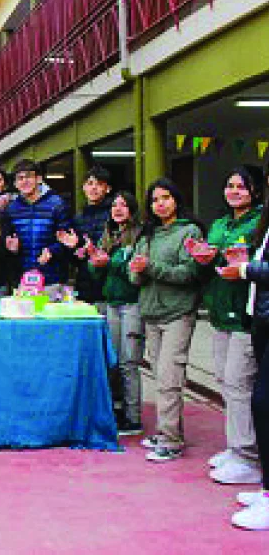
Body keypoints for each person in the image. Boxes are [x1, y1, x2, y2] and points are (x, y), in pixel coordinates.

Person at [190, 168, 261, 484]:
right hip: (219, 312)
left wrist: (244, 263)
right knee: (225, 381)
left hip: (245, 314)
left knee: (239, 384)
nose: (234, 191)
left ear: (255, 191)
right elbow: (209, 266)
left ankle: (249, 456)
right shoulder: (219, 224)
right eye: (229, 185)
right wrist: (203, 258)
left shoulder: (259, 222)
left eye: (241, 187)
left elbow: (254, 265)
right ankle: (235, 447)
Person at [129, 178, 203, 462]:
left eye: (166, 198)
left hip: (177, 312)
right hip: (151, 312)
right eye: (155, 200)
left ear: (176, 200)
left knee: (170, 378)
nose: (160, 204)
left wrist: (151, 267)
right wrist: (137, 270)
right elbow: (135, 277)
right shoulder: (147, 235)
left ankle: (171, 441)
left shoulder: (189, 231)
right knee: (161, 377)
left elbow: (189, 273)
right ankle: (168, 431)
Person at [220, 168, 269, 529]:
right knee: (258, 401)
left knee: (261, 402)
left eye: (242, 186)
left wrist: (246, 270)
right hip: (260, 317)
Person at [89, 191, 144, 435]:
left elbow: (134, 273)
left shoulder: (140, 236)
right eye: (114, 205)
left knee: (129, 362)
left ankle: (133, 417)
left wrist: (109, 262)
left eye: (123, 205)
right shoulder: (108, 235)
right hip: (111, 303)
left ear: (132, 209)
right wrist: (94, 262)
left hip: (132, 304)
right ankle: (116, 409)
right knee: (113, 360)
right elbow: (97, 272)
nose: (118, 209)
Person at [4, 159, 72, 288]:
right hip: (22, 279)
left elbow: (68, 238)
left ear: (39, 179)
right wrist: (12, 249)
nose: (25, 181)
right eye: (20, 178)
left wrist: (52, 251)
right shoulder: (11, 209)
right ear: (15, 183)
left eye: (29, 176)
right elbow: (7, 239)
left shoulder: (57, 204)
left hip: (52, 277)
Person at [57, 166, 114, 304]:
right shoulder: (78, 217)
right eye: (90, 183)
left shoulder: (114, 214)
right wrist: (74, 248)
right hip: (84, 285)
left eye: (99, 184)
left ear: (108, 189)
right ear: (83, 187)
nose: (94, 188)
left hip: (109, 283)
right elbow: (74, 258)